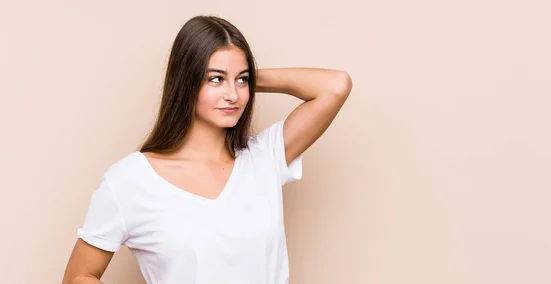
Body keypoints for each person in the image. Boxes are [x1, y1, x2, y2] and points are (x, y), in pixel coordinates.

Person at [62, 15, 352, 284]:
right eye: (216, 79)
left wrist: (246, 74)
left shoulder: (264, 158)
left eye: (242, 80)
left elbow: (335, 86)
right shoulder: (130, 180)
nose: (233, 95)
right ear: (186, 81)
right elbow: (78, 277)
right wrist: (222, 75)